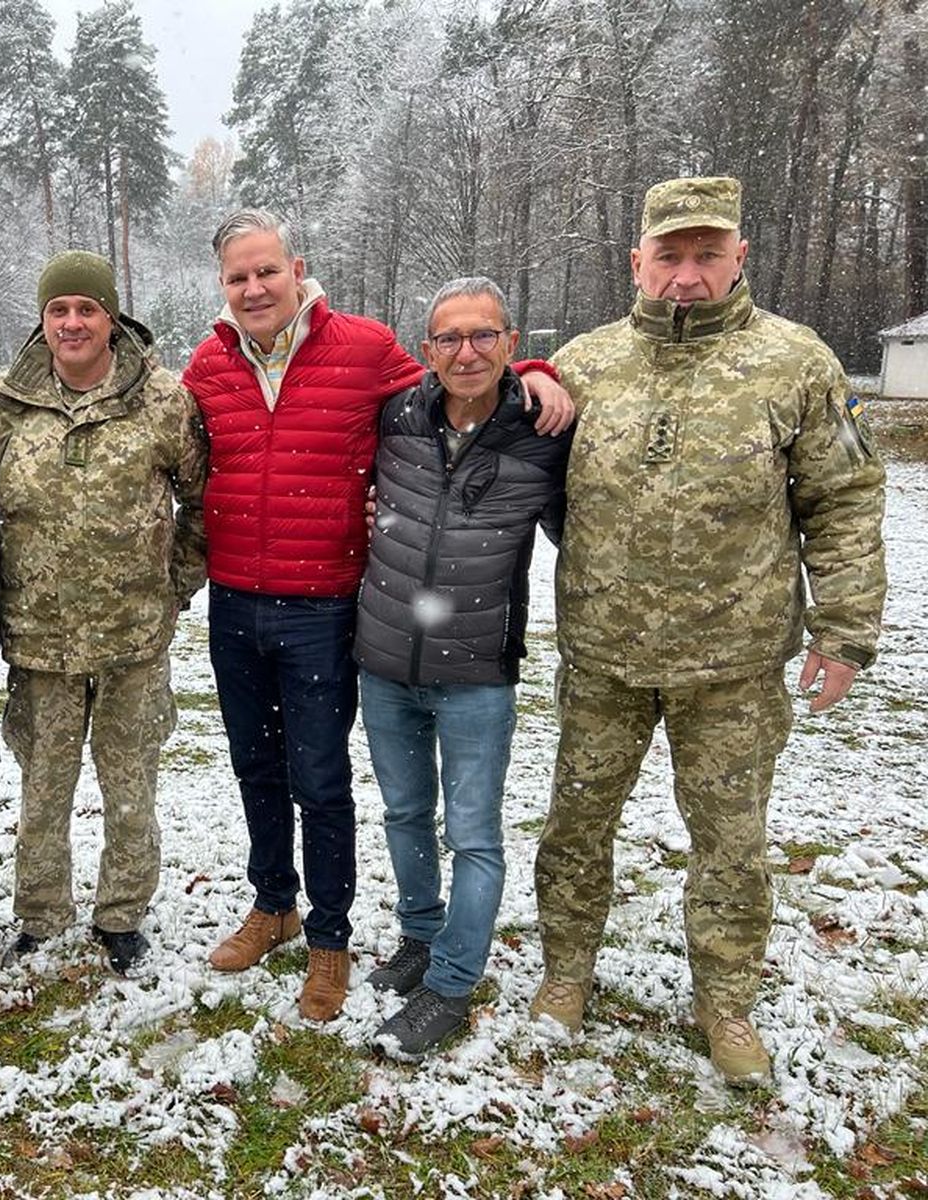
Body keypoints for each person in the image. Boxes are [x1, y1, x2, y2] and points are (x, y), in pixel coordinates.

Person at [531, 176, 887, 1086]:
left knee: (730, 844)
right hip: (604, 657)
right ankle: (566, 974)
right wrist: (530, 375)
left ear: (739, 259)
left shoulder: (795, 363)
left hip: (731, 664)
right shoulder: (585, 363)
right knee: (576, 827)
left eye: (707, 256)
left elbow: (842, 502)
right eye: (670, 256)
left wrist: (842, 632)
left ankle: (725, 1004)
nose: (687, 276)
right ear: (637, 262)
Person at [181, 209, 572, 1021]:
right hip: (234, 602)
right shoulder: (208, 364)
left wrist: (532, 367)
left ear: (297, 269)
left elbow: (462, 379)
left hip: (323, 606)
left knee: (321, 781)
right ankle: (274, 904)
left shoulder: (361, 350)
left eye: (266, 271)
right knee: (256, 769)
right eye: (237, 277)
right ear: (223, 286)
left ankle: (329, 939)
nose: (254, 289)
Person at [0, 250, 206, 975]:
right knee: (43, 790)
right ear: (44, 321)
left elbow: (201, 497)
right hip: (38, 642)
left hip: (134, 637)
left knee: (130, 788)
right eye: (58, 309)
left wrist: (175, 584)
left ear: (111, 318)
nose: (72, 322)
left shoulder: (162, 400)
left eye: (86, 309)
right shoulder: (1, 404)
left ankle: (122, 914)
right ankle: (40, 914)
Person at [355, 276, 572, 1058]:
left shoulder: (545, 434)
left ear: (512, 344)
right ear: (427, 352)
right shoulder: (396, 418)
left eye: (485, 335)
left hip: (478, 672)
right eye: (449, 338)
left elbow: (579, 535)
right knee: (404, 815)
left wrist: (546, 377)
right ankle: (418, 937)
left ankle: (450, 983)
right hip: (384, 663)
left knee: (473, 834)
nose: (467, 351)